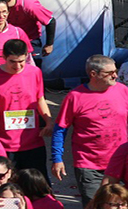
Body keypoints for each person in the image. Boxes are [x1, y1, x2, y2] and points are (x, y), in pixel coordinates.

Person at [52, 54, 128, 205]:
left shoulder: (123, 91)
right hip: (90, 165)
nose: (115, 75)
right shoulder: (75, 97)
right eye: (110, 73)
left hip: (121, 161)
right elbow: (60, 129)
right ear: (93, 74)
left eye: (115, 71)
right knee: (95, 205)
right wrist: (57, 159)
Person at [0, 40, 53, 181]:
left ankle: (34, 205)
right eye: (12, 61)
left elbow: (40, 99)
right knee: (7, 189)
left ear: (27, 56)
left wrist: (49, 121)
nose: (17, 66)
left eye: (21, 61)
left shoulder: (35, 72)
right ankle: (12, 205)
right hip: (3, 144)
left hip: (32, 142)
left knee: (38, 187)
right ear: (4, 57)